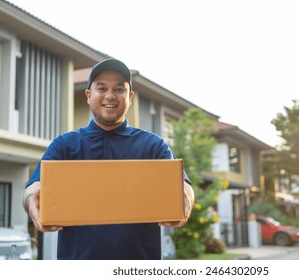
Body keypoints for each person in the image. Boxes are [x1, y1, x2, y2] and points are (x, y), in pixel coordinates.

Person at [22, 58, 194, 260]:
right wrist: (32, 201)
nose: (110, 96)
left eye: (119, 89)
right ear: (88, 95)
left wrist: (186, 199)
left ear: (130, 96)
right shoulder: (65, 145)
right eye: (101, 88)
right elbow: (34, 187)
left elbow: (183, 186)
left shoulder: (153, 146)